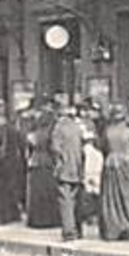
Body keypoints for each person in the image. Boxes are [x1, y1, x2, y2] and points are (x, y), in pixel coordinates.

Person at [97, 107, 129, 241]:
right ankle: (126, 226)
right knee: (128, 197)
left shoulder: (108, 132)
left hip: (111, 162)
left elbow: (101, 147)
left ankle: (111, 229)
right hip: (127, 163)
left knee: (110, 197)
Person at [50, 102, 86, 240]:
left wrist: (58, 162)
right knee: (77, 200)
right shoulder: (77, 128)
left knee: (65, 201)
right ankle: (79, 229)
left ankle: (68, 231)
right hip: (77, 167)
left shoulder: (59, 128)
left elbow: (55, 148)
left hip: (64, 168)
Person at [25, 103, 61, 229]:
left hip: (35, 162)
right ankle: (50, 219)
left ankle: (37, 219)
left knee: (37, 193)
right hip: (47, 162)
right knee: (49, 192)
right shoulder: (50, 132)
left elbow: (30, 147)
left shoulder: (35, 133)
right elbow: (53, 148)